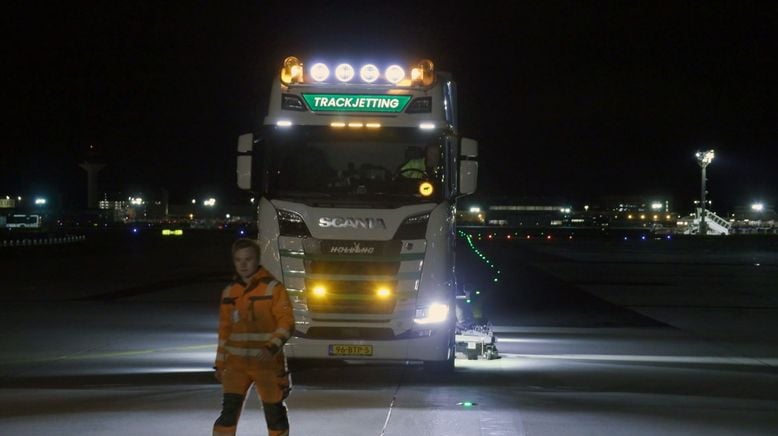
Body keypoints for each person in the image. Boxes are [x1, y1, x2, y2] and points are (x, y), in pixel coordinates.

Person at [213, 239, 295, 436]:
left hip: (267, 365)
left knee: (275, 415)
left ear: (257, 259)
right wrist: (220, 363)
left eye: (248, 259)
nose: (243, 264)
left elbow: (287, 323)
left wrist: (271, 348)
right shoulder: (229, 292)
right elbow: (224, 332)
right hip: (236, 367)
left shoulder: (273, 289)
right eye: (238, 260)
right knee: (228, 416)